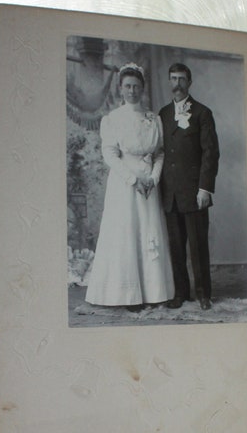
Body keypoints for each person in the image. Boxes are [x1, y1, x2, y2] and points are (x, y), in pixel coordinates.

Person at [85, 63, 174, 311]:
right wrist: (133, 180)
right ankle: (127, 294)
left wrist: (153, 179)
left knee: (149, 231)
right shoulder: (113, 119)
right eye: (127, 86)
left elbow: (159, 153)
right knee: (127, 233)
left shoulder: (153, 119)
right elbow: (110, 154)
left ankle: (154, 291)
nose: (132, 91)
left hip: (149, 184)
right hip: (125, 184)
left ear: (143, 88)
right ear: (121, 89)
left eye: (136, 86)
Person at [158, 63, 220, 311]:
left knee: (197, 246)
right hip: (170, 193)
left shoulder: (203, 113)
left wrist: (205, 188)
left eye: (182, 79)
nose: (177, 84)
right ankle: (181, 293)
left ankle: (204, 294)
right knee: (176, 247)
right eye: (173, 78)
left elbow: (211, 153)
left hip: (194, 193)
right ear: (169, 81)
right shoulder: (162, 114)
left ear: (190, 82)